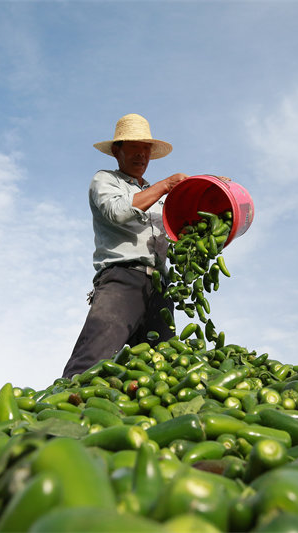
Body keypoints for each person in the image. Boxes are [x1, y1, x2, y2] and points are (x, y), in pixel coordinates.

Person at [62, 114, 188, 379]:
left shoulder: (159, 197)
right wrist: (166, 185)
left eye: (146, 149)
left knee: (162, 369)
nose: (141, 155)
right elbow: (117, 211)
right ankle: (65, 409)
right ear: (117, 151)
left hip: (159, 289)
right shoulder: (105, 180)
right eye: (134, 148)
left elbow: (179, 235)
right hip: (122, 279)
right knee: (94, 357)